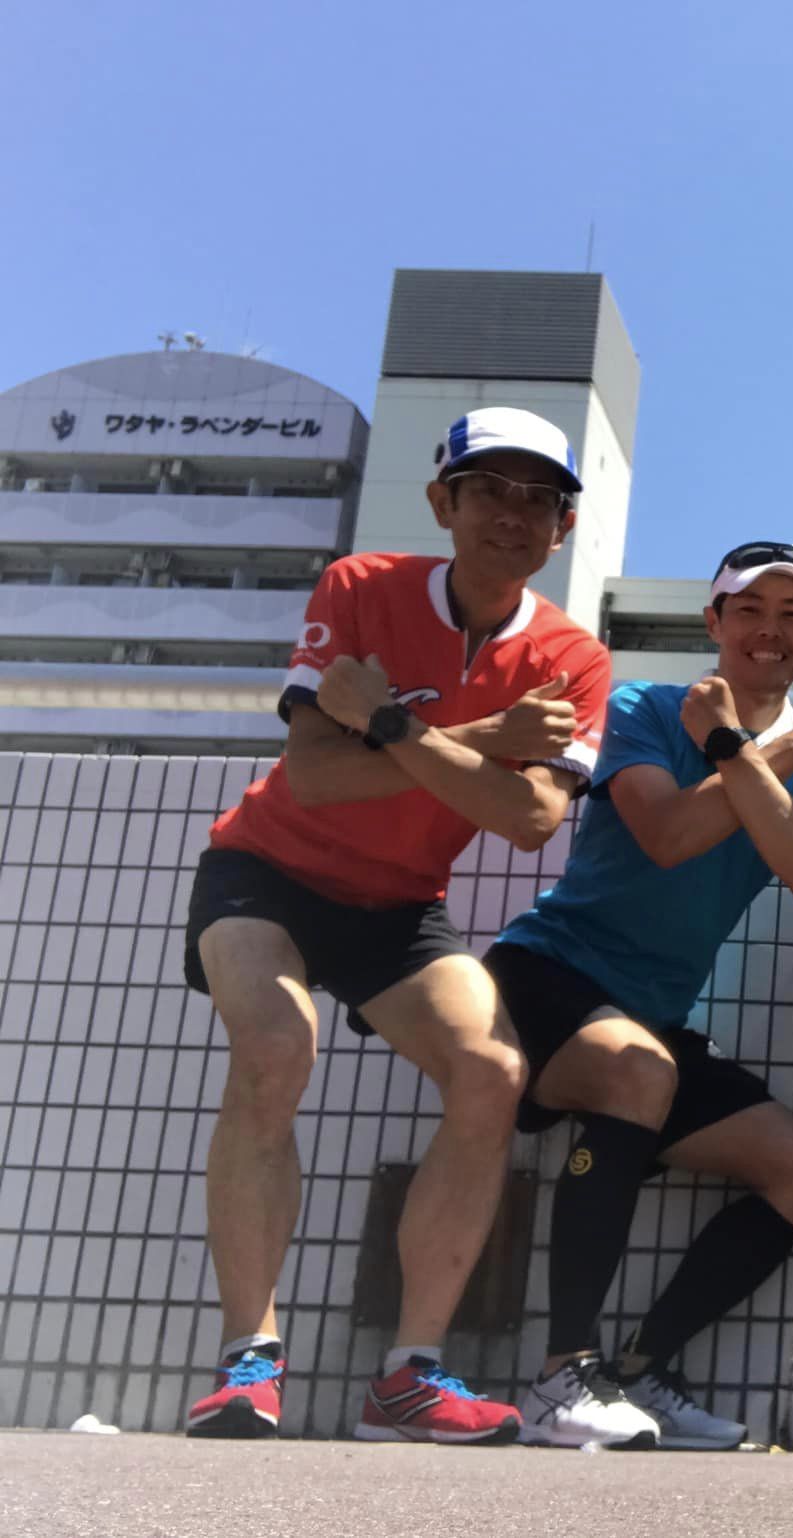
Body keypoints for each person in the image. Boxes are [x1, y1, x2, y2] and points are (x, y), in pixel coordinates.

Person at [181, 408, 610, 1442]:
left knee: (492, 1071)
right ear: (442, 502)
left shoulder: (571, 656)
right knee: (277, 1045)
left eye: (540, 499)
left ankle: (409, 1375)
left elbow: (527, 818)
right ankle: (249, 1360)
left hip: (400, 902)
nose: (513, 513)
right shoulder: (361, 585)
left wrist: (391, 720)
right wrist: (484, 737)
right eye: (490, 488)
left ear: (563, 527)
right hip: (265, 870)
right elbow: (314, 776)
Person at [481, 542, 793, 1449]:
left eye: (792, 615)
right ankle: (561, 1375)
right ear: (713, 622)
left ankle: (640, 1370)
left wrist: (740, 748)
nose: (769, 630)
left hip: (649, 1020)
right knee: (638, 1071)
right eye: (748, 609)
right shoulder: (644, 709)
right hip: (546, 976)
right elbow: (666, 835)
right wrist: (781, 746)